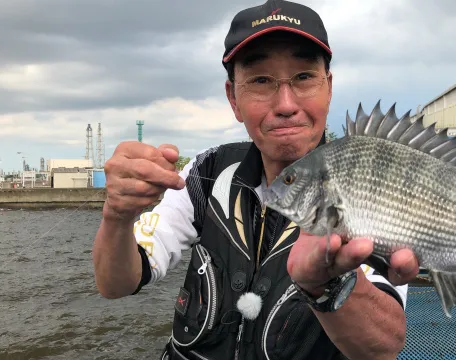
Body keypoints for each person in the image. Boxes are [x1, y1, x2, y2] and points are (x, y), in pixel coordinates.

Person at [92, 0, 420, 359]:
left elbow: (385, 346)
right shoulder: (206, 173)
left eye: (304, 77)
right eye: (261, 80)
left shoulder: (373, 185)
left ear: (328, 87)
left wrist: (325, 283)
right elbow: (115, 284)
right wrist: (117, 217)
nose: (285, 103)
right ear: (233, 97)